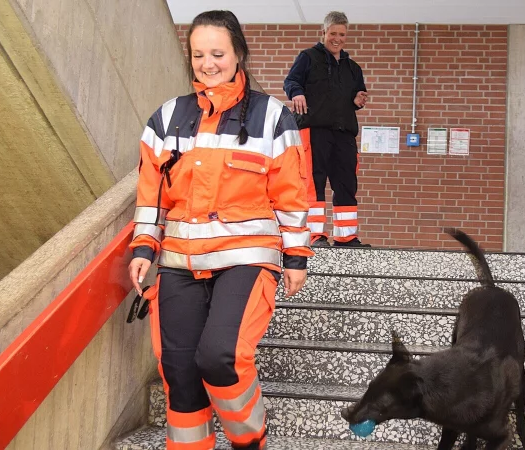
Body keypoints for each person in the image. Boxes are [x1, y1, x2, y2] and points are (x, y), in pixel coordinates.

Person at [127, 10, 312, 450]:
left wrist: (297, 257)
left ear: (238, 54)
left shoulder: (272, 117)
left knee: (220, 357)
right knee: (179, 368)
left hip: (246, 259)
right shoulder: (166, 118)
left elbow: (292, 193)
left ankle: (250, 441)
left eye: (217, 53)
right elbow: (151, 194)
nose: (208, 63)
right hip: (178, 262)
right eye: (198, 54)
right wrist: (143, 247)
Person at [284, 11, 371, 248]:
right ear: (323, 33)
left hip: (343, 133)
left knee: (346, 183)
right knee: (313, 181)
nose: (337, 38)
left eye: (342, 34)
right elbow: (291, 81)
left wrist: (358, 100)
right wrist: (297, 92)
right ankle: (315, 235)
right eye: (333, 33)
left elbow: (358, 94)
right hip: (313, 129)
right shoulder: (308, 57)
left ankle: (346, 237)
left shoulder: (353, 68)